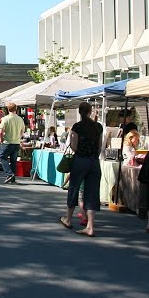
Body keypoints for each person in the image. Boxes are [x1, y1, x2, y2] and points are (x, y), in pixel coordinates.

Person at [58, 101, 103, 236]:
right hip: (94, 161)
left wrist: (82, 153)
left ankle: (68, 219)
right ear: (90, 112)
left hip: (80, 160)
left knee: (74, 188)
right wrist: (93, 155)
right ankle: (90, 226)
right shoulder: (98, 127)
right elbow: (100, 147)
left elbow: (74, 146)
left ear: (79, 112)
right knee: (92, 192)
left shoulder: (77, 127)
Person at [0, 103, 25, 183]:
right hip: (16, 142)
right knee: (13, 160)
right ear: (16, 109)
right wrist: (18, 137)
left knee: (2, 157)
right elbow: (22, 131)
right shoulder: (20, 119)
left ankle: (9, 174)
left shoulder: (5, 119)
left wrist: (1, 140)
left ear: (7, 109)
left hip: (7, 142)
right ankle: (12, 177)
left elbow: (0, 131)